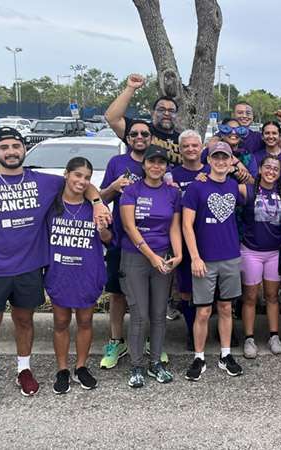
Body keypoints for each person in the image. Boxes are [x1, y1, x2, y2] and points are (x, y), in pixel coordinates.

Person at [0, 126, 109, 410]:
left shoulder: (43, 182)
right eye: (5, 147)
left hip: (30, 268)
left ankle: (24, 370)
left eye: (16, 146)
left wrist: (97, 203)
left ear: (24, 148)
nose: (11, 151)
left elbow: (82, 183)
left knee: (24, 321)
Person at [120, 146, 182, 388]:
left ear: (166, 167)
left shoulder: (172, 193)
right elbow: (129, 227)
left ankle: (155, 362)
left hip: (163, 256)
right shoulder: (132, 190)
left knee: (158, 315)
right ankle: (136, 366)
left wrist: (178, 254)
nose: (156, 166)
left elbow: (174, 227)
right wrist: (151, 255)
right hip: (136, 257)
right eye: (152, 162)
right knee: (140, 315)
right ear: (144, 165)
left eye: (161, 163)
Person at [182, 142, 245, 380]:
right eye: (216, 157)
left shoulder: (233, 186)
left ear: (230, 162)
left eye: (225, 158)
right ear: (209, 160)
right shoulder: (197, 188)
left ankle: (225, 354)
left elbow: (254, 188)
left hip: (230, 256)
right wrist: (195, 257)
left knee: (227, 307)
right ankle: (199, 357)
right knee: (203, 311)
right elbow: (187, 224)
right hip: (204, 259)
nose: (220, 161)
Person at [47, 157, 109, 394]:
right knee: (61, 322)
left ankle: (81, 366)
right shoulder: (51, 204)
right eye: (77, 175)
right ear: (66, 174)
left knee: (85, 321)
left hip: (87, 271)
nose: (82, 181)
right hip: (59, 272)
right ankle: (62, 369)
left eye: (86, 177)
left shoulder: (95, 206)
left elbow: (108, 240)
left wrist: (102, 227)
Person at [98, 119, 156, 369]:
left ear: (151, 138)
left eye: (145, 133)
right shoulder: (117, 163)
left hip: (154, 241)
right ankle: (116, 340)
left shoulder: (158, 161)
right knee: (118, 293)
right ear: (128, 138)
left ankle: (146, 341)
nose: (140, 137)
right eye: (134, 134)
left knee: (151, 294)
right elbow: (99, 199)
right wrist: (112, 186)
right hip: (121, 239)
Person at [240, 156, 281, 358]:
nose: (271, 171)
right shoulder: (248, 189)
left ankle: (273, 336)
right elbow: (221, 186)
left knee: (272, 296)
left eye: (275, 169)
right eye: (267, 167)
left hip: (274, 252)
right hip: (251, 250)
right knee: (250, 296)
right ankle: (249, 338)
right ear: (259, 169)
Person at [170, 130, 210, 349]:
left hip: (210, 238)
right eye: (186, 146)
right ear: (180, 149)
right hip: (184, 240)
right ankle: (191, 329)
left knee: (214, 287)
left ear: (202, 147)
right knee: (186, 289)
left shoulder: (212, 170)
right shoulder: (172, 176)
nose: (191, 149)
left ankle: (210, 329)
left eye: (195, 145)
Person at [105, 73, 181, 164]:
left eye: (171, 111)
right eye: (161, 109)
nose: (166, 113)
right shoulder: (141, 132)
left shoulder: (183, 140)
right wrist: (131, 88)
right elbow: (112, 118)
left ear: (177, 115)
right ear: (153, 113)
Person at [214, 117, 257, 184]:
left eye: (238, 130)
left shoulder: (248, 157)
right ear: (222, 134)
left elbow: (254, 183)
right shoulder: (212, 153)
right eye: (228, 129)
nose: (233, 132)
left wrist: (235, 171)